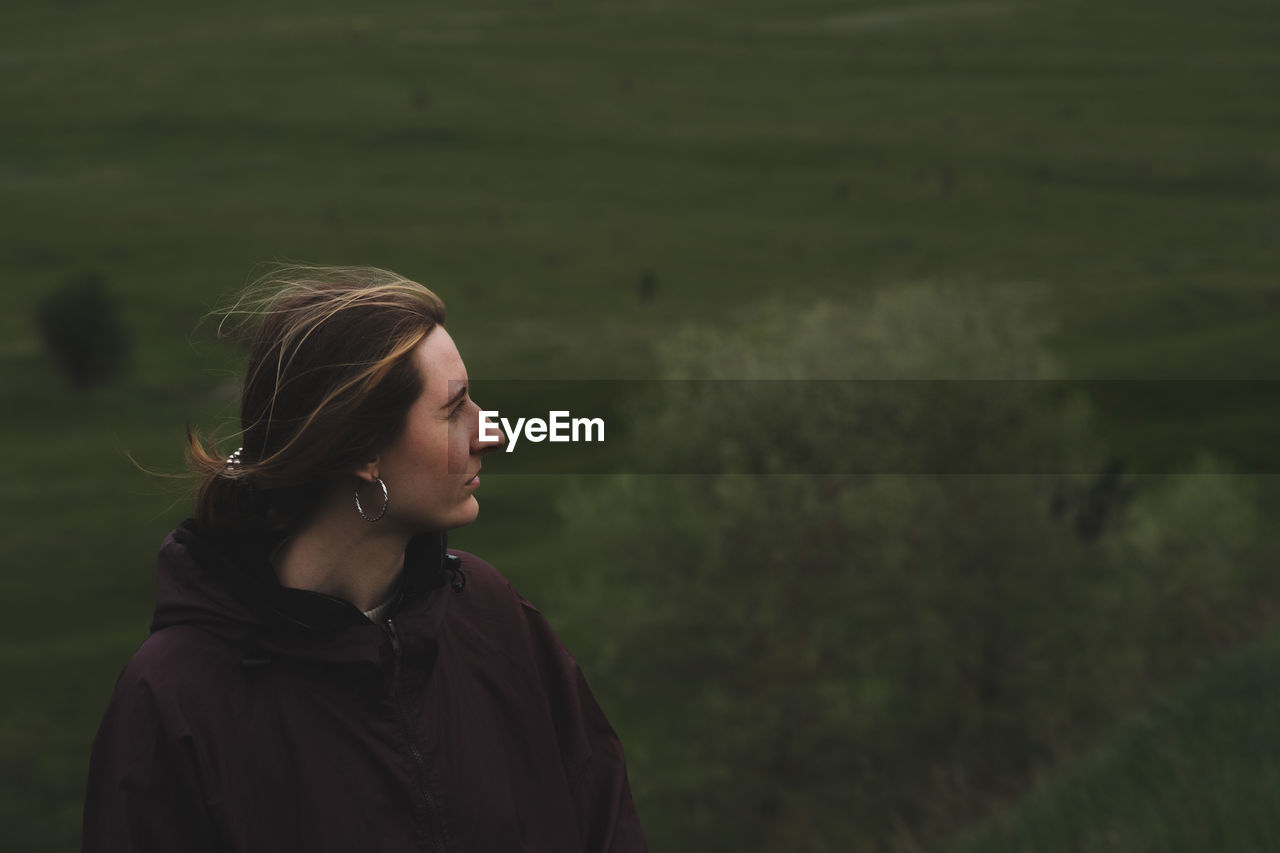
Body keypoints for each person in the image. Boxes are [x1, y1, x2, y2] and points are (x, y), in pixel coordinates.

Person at [82, 265, 647, 852]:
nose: (492, 433)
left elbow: (603, 821)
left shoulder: (494, 619)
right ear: (362, 450)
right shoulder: (175, 700)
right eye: (454, 410)